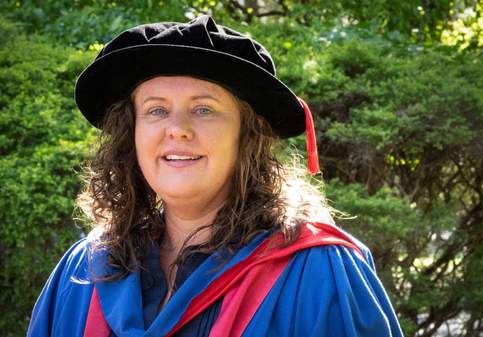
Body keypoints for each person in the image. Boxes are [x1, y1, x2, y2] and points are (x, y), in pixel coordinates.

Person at [26, 15, 404, 337]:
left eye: (204, 110)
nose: (177, 129)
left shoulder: (319, 273)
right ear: (132, 135)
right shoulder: (85, 271)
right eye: (156, 111)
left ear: (247, 136)